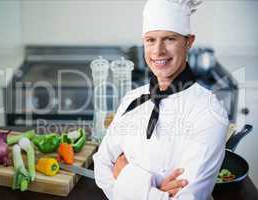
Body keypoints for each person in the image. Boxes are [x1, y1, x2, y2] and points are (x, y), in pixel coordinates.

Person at [93, 0, 229, 199]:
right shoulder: (133, 98)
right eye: (150, 40)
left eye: (169, 39)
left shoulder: (209, 111)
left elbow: (188, 197)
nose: (158, 51)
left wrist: (124, 175)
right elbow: (101, 164)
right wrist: (156, 192)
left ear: (189, 41)